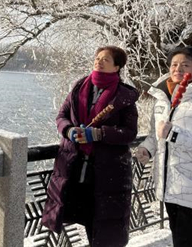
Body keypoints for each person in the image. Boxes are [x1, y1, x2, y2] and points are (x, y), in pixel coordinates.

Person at [41, 46, 139, 247]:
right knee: (82, 217)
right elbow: (62, 116)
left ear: (117, 67)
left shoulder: (123, 96)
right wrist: (69, 131)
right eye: (97, 58)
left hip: (107, 174)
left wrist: (98, 134)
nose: (99, 61)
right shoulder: (80, 87)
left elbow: (129, 133)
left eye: (106, 59)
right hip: (74, 169)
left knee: (103, 231)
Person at [136, 46, 192, 247]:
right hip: (169, 184)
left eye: (185, 65)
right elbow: (156, 134)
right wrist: (147, 149)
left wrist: (174, 134)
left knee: (185, 241)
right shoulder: (163, 100)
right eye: (174, 64)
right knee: (179, 238)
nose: (177, 68)